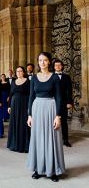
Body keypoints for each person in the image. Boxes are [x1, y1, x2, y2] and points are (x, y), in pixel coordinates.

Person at [27, 52, 65, 182]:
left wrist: (58, 116)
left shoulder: (55, 78)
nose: (42, 62)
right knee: (38, 139)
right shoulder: (34, 78)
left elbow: (59, 97)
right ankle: (38, 169)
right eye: (40, 60)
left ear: (49, 62)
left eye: (45, 60)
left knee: (52, 138)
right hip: (37, 109)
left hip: (51, 108)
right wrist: (30, 115)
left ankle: (53, 170)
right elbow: (31, 97)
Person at [7, 66, 30, 152]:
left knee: (24, 123)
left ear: (23, 72)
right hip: (14, 104)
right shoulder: (13, 82)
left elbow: (31, 94)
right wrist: (9, 106)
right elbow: (11, 94)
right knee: (15, 122)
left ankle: (24, 145)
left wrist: (30, 107)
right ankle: (14, 144)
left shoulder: (28, 81)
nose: (19, 73)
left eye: (20, 71)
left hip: (24, 103)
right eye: (17, 71)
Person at [53, 59, 73, 147]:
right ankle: (53, 140)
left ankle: (65, 140)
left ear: (62, 66)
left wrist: (69, 102)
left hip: (64, 102)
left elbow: (69, 90)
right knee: (53, 120)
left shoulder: (66, 77)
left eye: (59, 65)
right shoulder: (51, 76)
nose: (57, 67)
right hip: (53, 102)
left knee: (64, 121)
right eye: (56, 65)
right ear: (53, 67)